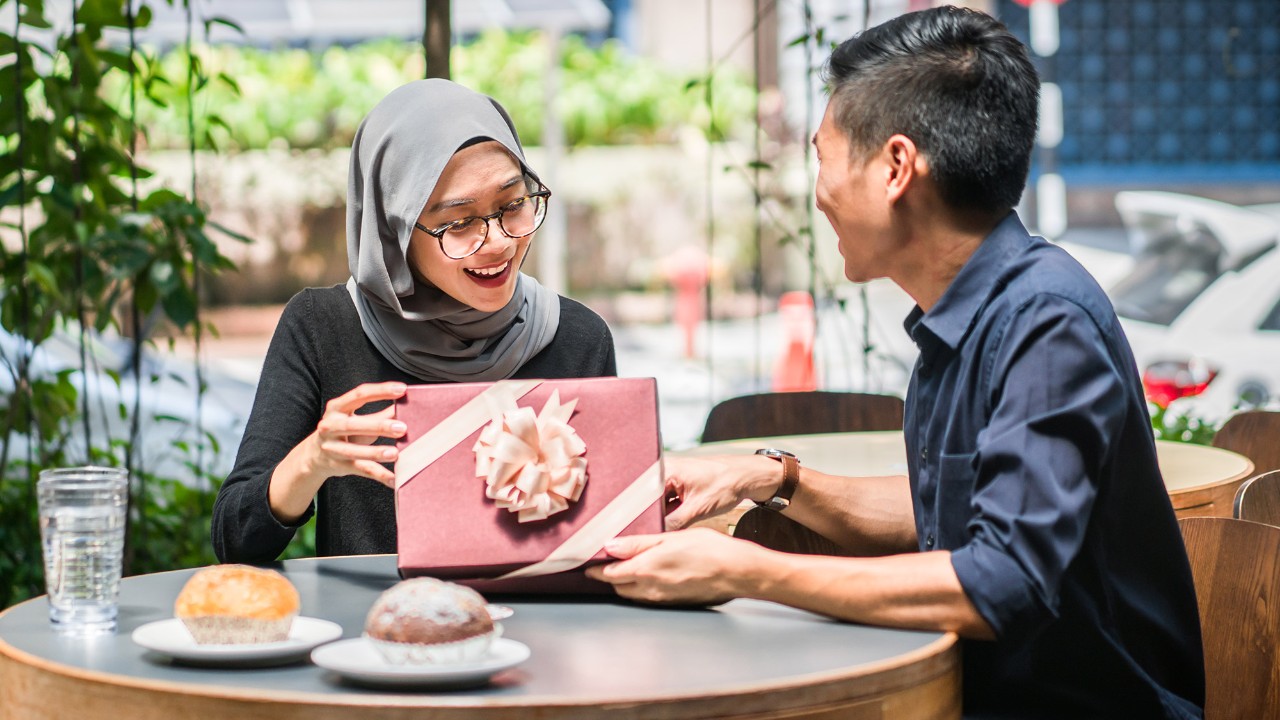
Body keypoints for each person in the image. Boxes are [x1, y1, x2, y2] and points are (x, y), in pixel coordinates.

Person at [586, 7, 1205, 718]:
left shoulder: (1045, 322)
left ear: (896, 168)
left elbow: (1001, 581)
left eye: (823, 157)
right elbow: (943, 514)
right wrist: (767, 478)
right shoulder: (972, 312)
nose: (818, 193)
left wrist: (746, 570)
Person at [213, 80, 616, 563]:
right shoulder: (323, 327)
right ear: (394, 229)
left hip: (543, 632)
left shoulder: (577, 337)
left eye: (513, 205)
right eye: (459, 222)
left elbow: (609, 536)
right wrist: (312, 460)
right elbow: (236, 541)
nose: (499, 243)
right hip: (373, 633)